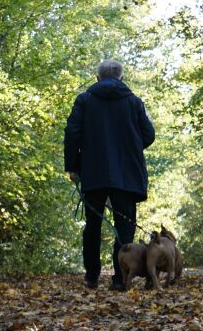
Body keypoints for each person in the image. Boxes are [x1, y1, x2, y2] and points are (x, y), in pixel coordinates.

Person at [65, 59, 155, 290]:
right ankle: (120, 279)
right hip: (126, 173)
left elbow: (72, 133)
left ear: (98, 78)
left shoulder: (84, 100)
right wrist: (131, 147)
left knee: (93, 224)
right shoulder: (134, 102)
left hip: (93, 171)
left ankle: (92, 276)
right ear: (121, 78)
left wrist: (73, 167)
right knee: (125, 226)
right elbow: (149, 135)